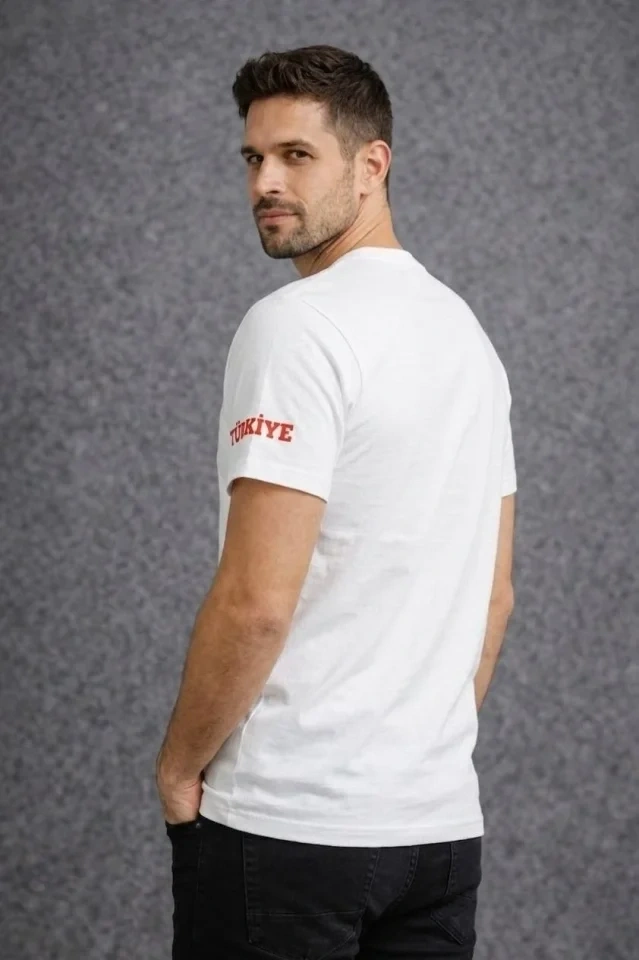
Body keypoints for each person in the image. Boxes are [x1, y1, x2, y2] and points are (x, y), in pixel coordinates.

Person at [156, 43, 517, 959]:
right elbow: (494, 596)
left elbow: (255, 602)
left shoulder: (294, 327)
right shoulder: (465, 337)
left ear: (370, 165)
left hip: (290, 830)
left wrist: (178, 768)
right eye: (252, 158)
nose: (265, 183)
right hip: (435, 832)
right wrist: (407, 756)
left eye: (296, 156)